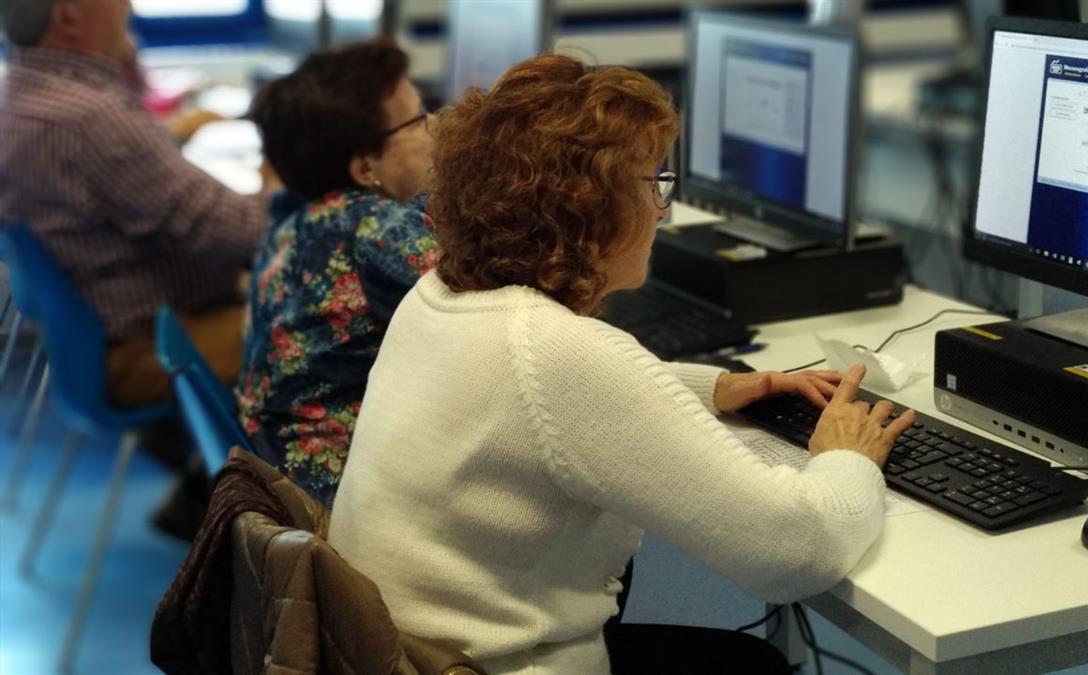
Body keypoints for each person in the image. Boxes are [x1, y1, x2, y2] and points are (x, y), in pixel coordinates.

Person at [328, 54, 916, 675]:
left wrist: (714, 387)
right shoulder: (557, 354)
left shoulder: (438, 294)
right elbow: (796, 552)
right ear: (588, 207)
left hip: (402, 655)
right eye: (651, 184)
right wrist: (846, 454)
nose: (662, 210)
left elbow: (527, 408)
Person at [0, 0, 269, 407]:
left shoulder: (22, 93)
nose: (128, 5)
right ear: (68, 16)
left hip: (103, 341)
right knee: (339, 319)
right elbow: (241, 234)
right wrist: (288, 177)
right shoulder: (91, 118)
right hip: (153, 346)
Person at [237, 38, 437, 508]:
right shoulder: (374, 229)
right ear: (366, 166)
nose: (435, 127)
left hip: (276, 465)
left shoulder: (301, 212)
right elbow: (499, 307)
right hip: (339, 492)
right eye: (418, 120)